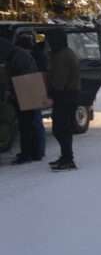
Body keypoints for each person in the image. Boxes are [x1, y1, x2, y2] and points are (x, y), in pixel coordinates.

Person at [3, 36, 42, 164]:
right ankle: (34, 153)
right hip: (30, 91)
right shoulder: (20, 55)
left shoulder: (17, 57)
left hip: (26, 92)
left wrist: (13, 93)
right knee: (30, 124)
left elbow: (19, 77)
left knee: (26, 125)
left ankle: (27, 154)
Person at [45, 29, 80, 171]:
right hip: (69, 95)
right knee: (63, 128)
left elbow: (59, 81)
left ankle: (68, 159)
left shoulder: (62, 56)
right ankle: (66, 157)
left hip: (65, 96)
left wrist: (50, 91)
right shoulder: (66, 52)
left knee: (61, 129)